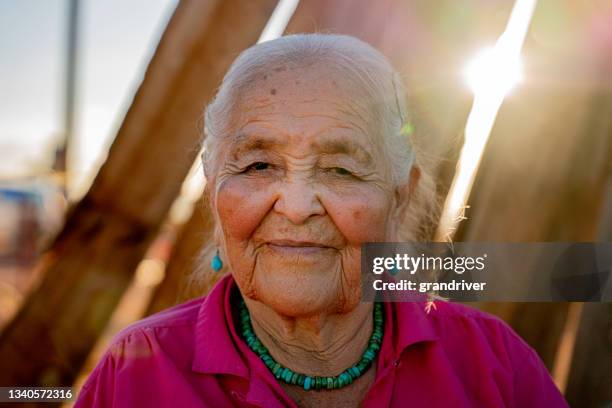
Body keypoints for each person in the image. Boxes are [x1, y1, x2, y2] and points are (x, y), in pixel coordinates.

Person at [75, 34, 568, 407]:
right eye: (258, 165)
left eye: (341, 169)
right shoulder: (135, 373)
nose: (295, 205)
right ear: (214, 193)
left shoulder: (493, 364)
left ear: (400, 197)